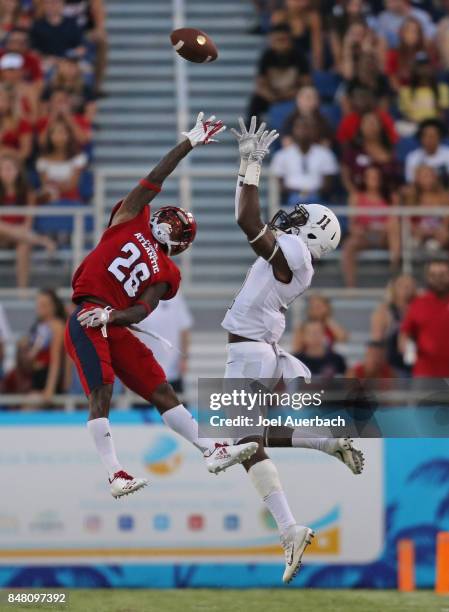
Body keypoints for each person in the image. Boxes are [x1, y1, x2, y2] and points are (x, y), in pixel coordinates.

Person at [64, 111, 258, 499]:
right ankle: (115, 473)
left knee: (161, 388)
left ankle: (211, 450)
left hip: (112, 320)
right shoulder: (128, 217)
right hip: (88, 314)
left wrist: (113, 315)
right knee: (101, 389)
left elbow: (143, 311)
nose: (171, 225)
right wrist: (188, 142)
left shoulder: (167, 270)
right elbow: (156, 177)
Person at [223, 116, 363, 585]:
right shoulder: (295, 254)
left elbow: (246, 219)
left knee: (241, 445)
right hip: (256, 349)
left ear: (313, 236)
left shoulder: (296, 256)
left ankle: (290, 528)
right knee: (251, 440)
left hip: (250, 351)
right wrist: (246, 165)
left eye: (304, 218)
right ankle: (325, 446)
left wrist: (253, 164)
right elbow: (246, 216)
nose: (294, 217)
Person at [342, 164, 401, 287]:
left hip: (385, 236)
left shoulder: (391, 196)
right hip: (365, 236)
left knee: (394, 227)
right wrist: (359, 230)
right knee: (349, 245)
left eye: (377, 177)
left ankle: (394, 277)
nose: (374, 179)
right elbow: (352, 223)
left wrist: (379, 227)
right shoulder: (356, 196)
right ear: (364, 178)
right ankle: (350, 287)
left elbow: (394, 221)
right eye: (371, 177)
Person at [247, 24, 310, 123]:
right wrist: (271, 96)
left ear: (290, 40)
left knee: (306, 101)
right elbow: (260, 84)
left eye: (283, 40)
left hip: (293, 95)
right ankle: (253, 134)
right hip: (273, 95)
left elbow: (306, 84)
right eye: (276, 40)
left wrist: (291, 94)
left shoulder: (299, 56)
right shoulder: (267, 56)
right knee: (255, 103)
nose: (280, 44)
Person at [133, 292, 193, 395]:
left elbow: (184, 329)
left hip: (171, 367)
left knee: (176, 406)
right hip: (144, 369)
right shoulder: (135, 296)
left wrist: (184, 358)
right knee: (142, 407)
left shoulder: (175, 297)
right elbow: (130, 331)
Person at [271, 116, 338, 206]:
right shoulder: (282, 155)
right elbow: (278, 183)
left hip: (318, 198)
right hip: (291, 198)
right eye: (300, 127)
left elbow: (328, 184)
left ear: (314, 131)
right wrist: (300, 193)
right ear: (294, 130)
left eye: (307, 128)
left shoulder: (325, 154)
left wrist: (309, 193)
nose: (303, 131)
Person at [400, 258, 449, 377]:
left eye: (442, 275)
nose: (438, 279)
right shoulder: (418, 303)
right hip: (425, 373)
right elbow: (405, 333)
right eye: (433, 275)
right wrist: (406, 348)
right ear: (427, 278)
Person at [341, 111, 402, 198]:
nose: (370, 126)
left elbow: (396, 179)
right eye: (367, 123)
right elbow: (345, 175)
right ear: (360, 127)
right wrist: (355, 194)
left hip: (387, 200)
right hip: (359, 200)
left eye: (373, 122)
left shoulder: (391, 151)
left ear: (380, 126)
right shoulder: (353, 151)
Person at [23, 289, 66, 404]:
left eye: (44, 305)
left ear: (53, 306)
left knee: (29, 406)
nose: (40, 308)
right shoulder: (38, 326)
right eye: (39, 304)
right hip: (36, 375)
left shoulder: (56, 326)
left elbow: (55, 359)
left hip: (48, 376)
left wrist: (49, 388)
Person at [371, 274, 417, 376]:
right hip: (394, 366)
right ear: (394, 288)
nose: (406, 290)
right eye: (402, 286)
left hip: (419, 364)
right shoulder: (384, 311)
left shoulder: (420, 309)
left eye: (409, 286)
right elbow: (376, 341)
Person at [0, 155, 35, 287]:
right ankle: (42, 240)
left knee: (24, 246)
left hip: (21, 237)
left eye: (9, 169)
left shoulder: (27, 192)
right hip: (2, 236)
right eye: (3, 169)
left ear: (17, 171)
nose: (6, 173)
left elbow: (28, 223)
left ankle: (22, 289)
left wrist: (16, 232)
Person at [36, 118, 88, 203]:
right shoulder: (42, 160)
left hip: (72, 201)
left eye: (62, 132)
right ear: (50, 136)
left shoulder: (78, 158)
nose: (58, 137)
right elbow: (45, 184)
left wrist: (55, 186)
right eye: (54, 133)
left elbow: (73, 184)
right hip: (50, 201)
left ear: (68, 135)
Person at [403, 164, 449, 251]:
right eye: (424, 176)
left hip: (439, 232)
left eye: (429, 176)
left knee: (443, 235)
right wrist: (419, 230)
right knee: (414, 238)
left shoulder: (445, 197)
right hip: (418, 232)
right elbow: (407, 220)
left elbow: (446, 221)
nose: (427, 180)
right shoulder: (411, 197)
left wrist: (436, 231)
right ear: (417, 179)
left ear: (435, 178)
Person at [30, 0, 84, 74]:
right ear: (44, 5)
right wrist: (46, 58)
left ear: (62, 4)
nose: (53, 6)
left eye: (56, 2)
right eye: (49, 2)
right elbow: (34, 50)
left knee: (85, 71)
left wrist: (65, 59)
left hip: (69, 61)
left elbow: (81, 48)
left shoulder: (72, 23)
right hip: (47, 62)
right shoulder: (37, 25)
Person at [398, 53, 449, 124]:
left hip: (435, 127)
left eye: (426, 66)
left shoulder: (442, 89)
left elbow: (443, 114)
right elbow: (404, 115)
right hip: (413, 127)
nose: (423, 70)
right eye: (420, 66)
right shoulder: (405, 91)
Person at [270, 0, 323, 69]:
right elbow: (274, 47)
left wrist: (317, 69)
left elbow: (317, 49)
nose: (301, 3)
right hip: (284, 60)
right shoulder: (279, 17)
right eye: (297, 1)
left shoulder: (312, 18)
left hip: (305, 59)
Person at [385, 16, 429, 91]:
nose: (411, 35)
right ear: (402, 33)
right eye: (408, 31)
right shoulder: (393, 54)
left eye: (415, 32)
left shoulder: (425, 54)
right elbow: (393, 81)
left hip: (422, 94)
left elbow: (429, 79)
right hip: (402, 94)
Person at [405, 118, 449, 185]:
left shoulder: (447, 154)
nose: (429, 140)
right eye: (426, 136)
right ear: (421, 138)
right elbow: (411, 182)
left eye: (432, 136)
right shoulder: (413, 157)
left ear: (440, 137)